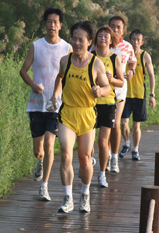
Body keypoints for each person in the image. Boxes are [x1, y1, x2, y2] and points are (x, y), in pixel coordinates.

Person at [49, 21, 111, 213]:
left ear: (89, 41)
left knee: (84, 158)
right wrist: (55, 96)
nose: (76, 43)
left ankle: (85, 194)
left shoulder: (96, 63)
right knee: (66, 154)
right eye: (74, 39)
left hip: (87, 115)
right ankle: (68, 198)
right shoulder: (65, 61)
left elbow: (108, 87)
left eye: (81, 40)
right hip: (67, 113)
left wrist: (100, 90)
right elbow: (60, 78)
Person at [19, 8, 72, 201]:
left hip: (55, 105)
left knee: (50, 145)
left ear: (60, 25)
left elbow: (70, 76)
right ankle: (40, 162)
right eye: (49, 21)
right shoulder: (36, 46)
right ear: (45, 24)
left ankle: (45, 186)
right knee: (38, 150)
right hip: (36, 104)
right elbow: (23, 70)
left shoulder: (67, 48)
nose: (52, 25)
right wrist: (33, 84)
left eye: (55, 22)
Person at [89, 16, 136, 173]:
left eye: (118, 27)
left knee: (116, 125)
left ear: (123, 30)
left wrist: (131, 70)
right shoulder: (97, 46)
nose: (115, 29)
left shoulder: (127, 46)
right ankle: (105, 156)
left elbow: (132, 61)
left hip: (119, 91)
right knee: (100, 129)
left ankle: (114, 157)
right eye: (112, 27)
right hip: (98, 94)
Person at [91, 26, 125, 187]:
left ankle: (102, 173)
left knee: (103, 141)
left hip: (109, 103)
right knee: (89, 142)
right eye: (100, 35)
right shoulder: (90, 57)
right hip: (90, 104)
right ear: (96, 39)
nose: (103, 38)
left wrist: (111, 80)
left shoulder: (114, 58)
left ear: (111, 40)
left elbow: (122, 81)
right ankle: (88, 162)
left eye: (106, 36)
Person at [119, 29, 156, 161]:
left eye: (138, 40)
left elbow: (151, 76)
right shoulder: (124, 54)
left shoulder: (145, 56)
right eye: (133, 39)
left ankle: (135, 149)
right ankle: (127, 143)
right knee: (124, 123)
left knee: (136, 125)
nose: (135, 42)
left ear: (142, 42)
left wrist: (152, 95)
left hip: (140, 94)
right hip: (125, 94)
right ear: (129, 40)